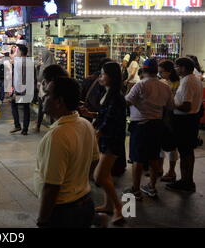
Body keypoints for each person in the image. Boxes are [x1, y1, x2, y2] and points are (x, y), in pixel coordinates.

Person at [35, 77, 99, 228]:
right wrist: (78, 181)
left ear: (59, 101)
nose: (44, 97)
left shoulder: (58, 136)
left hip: (63, 212)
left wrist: (43, 220)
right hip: (85, 202)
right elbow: (95, 160)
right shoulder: (85, 124)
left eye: (48, 94)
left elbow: (52, 186)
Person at [79, 62, 126, 224]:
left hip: (112, 141)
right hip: (107, 139)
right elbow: (103, 115)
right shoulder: (107, 93)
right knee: (106, 175)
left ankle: (119, 208)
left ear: (111, 77)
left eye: (103, 74)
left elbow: (110, 121)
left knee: (99, 176)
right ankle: (108, 205)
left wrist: (96, 134)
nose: (100, 76)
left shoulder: (116, 97)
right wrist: (90, 114)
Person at [123, 59, 174, 199]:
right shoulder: (165, 86)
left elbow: (127, 101)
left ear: (144, 70)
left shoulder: (140, 85)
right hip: (157, 125)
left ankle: (135, 189)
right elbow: (170, 106)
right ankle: (152, 187)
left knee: (137, 159)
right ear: (156, 70)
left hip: (140, 126)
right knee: (153, 157)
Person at [166, 57, 203, 193]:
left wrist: (172, 104)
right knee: (188, 152)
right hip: (191, 120)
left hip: (184, 121)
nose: (175, 69)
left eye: (177, 66)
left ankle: (185, 181)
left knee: (185, 152)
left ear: (183, 68)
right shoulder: (195, 79)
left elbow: (186, 106)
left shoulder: (187, 81)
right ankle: (187, 179)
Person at [157, 60, 180, 183]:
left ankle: (171, 171)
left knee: (171, 146)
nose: (160, 74)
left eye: (162, 72)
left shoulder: (178, 83)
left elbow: (174, 102)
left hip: (172, 118)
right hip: (162, 116)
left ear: (169, 71)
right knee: (160, 145)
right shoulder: (163, 82)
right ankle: (159, 169)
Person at [10, 45, 32, 135]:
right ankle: (25, 129)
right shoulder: (30, 62)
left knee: (13, 104)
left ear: (20, 52)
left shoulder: (18, 62)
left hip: (21, 89)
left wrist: (16, 91)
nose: (16, 52)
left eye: (17, 51)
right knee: (26, 108)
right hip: (28, 88)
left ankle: (17, 125)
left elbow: (19, 78)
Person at [34, 49, 56, 133]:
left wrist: (37, 69)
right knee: (50, 109)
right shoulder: (54, 65)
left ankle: (39, 126)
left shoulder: (45, 67)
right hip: (50, 91)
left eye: (41, 55)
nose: (40, 57)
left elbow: (39, 78)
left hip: (44, 91)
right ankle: (52, 127)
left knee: (42, 109)